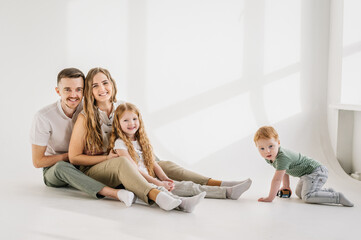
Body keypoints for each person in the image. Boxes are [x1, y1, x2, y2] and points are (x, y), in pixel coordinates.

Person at [68, 67, 251, 212]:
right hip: (97, 169)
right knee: (124, 162)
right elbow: (74, 157)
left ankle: (223, 187)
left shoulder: (121, 108)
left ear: (112, 84)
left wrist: (150, 160)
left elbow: (135, 137)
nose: (102, 89)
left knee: (164, 164)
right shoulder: (85, 117)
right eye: (95, 86)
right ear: (89, 92)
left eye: (105, 83)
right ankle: (161, 197)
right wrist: (107, 158)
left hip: (126, 158)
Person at [30, 68, 135, 207]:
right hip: (55, 168)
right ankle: (114, 193)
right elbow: (38, 162)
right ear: (58, 91)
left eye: (79, 89)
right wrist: (73, 155)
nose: (74, 95)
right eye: (67, 89)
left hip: (85, 164)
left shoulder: (88, 109)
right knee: (61, 167)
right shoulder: (44, 117)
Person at [109, 102, 252, 202]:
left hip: (154, 180)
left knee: (187, 186)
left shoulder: (141, 141)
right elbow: (134, 170)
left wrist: (165, 179)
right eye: (126, 120)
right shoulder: (120, 144)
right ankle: (227, 193)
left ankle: (228, 187)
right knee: (184, 189)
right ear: (118, 123)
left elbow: (153, 163)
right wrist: (158, 183)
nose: (131, 123)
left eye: (134, 119)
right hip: (142, 183)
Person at [254, 126, 354, 207]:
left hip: (316, 172)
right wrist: (286, 187)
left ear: (278, 143)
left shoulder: (282, 157)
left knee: (307, 196)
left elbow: (277, 180)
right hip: (307, 175)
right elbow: (283, 171)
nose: (267, 151)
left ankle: (337, 197)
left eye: (270, 146)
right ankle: (328, 192)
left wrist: (270, 197)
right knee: (299, 193)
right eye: (261, 148)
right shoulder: (270, 157)